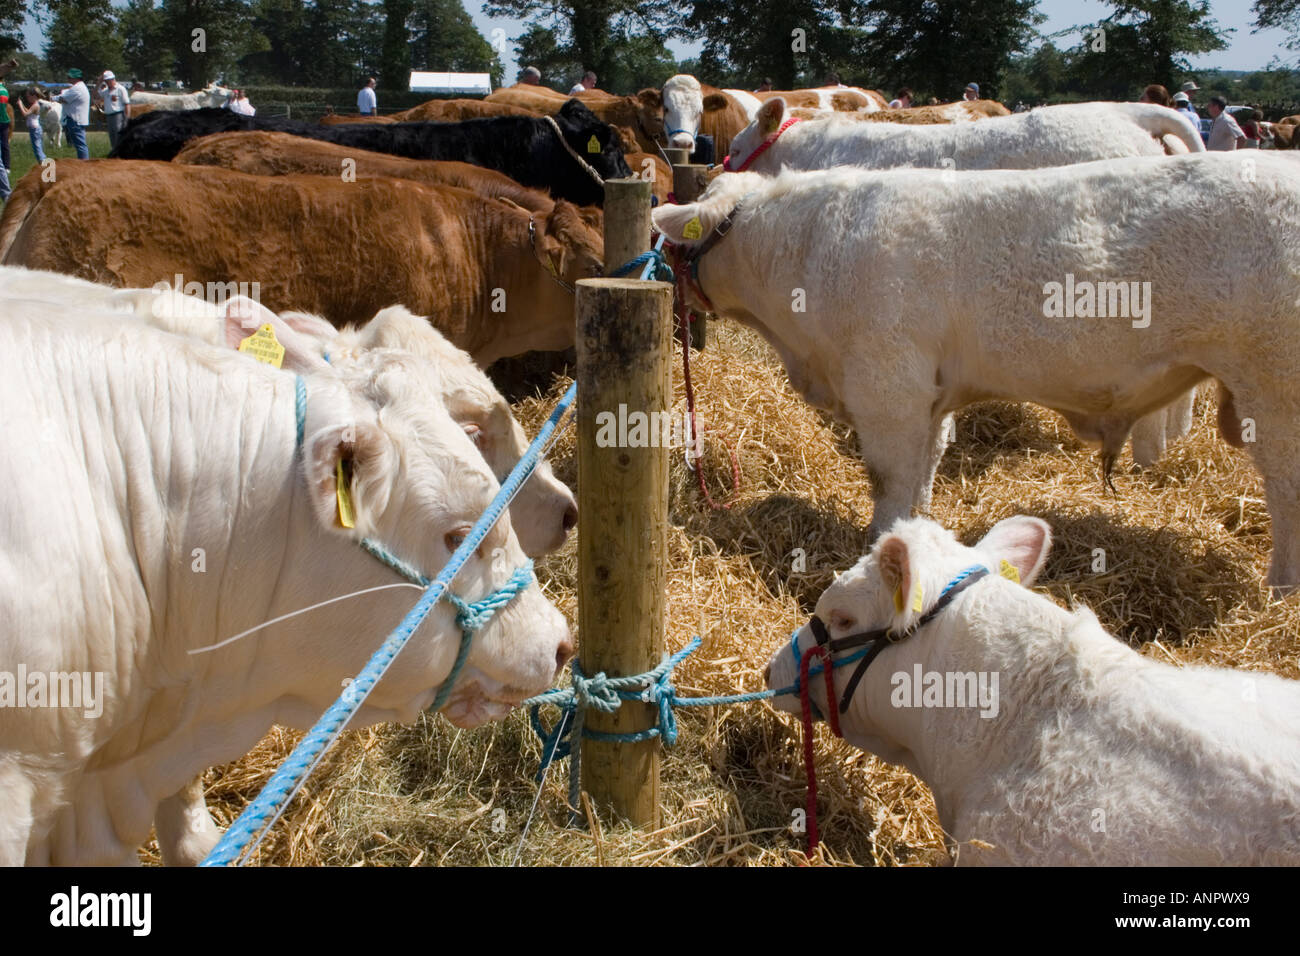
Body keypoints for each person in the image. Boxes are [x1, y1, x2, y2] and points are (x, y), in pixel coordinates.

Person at [55, 67, 90, 160]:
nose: (68, 79)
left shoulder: (77, 88)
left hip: (75, 119)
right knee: (79, 144)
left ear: (76, 78)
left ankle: (84, 163)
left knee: (80, 145)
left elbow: (63, 98)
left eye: (70, 77)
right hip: (77, 119)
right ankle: (83, 162)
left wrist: (52, 98)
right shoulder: (80, 87)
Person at [99, 70, 130, 151]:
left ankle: (121, 152)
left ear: (113, 79)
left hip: (118, 115)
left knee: (118, 135)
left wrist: (127, 118)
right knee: (112, 135)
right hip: (109, 115)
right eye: (105, 81)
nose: (107, 83)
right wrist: (98, 83)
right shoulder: (106, 91)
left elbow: (127, 104)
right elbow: (95, 95)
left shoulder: (120, 89)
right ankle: (114, 151)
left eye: (108, 81)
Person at [15, 88, 44, 164]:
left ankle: (43, 164)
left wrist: (20, 104)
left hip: (35, 130)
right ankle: (42, 164)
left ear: (34, 96)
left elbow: (25, 114)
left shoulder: (35, 105)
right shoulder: (35, 105)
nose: (27, 98)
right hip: (34, 129)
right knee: (37, 148)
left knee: (38, 149)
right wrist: (22, 105)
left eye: (28, 96)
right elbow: (28, 111)